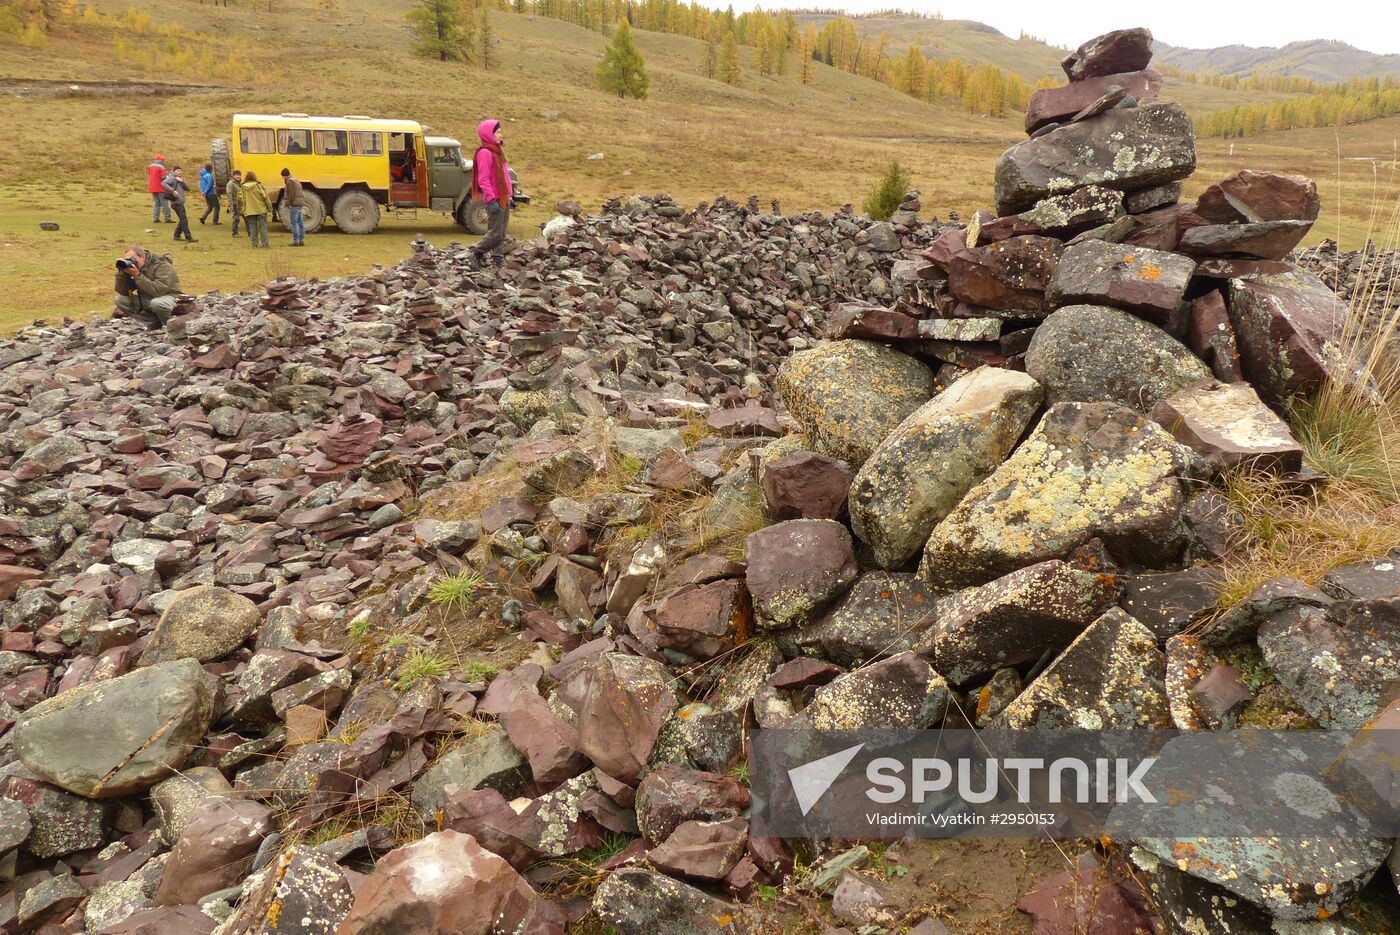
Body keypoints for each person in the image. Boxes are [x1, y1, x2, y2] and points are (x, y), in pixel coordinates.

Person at [468, 119, 513, 270]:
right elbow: (483, 179)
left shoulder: (497, 151)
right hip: (495, 198)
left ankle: (497, 258)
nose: (501, 135)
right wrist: (491, 199)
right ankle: (476, 253)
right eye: (498, 132)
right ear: (489, 134)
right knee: (495, 233)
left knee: (502, 232)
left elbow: (505, 177)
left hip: (504, 197)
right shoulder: (485, 153)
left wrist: (510, 196)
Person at [113, 245, 181, 328]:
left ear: (143, 257)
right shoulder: (136, 267)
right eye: (127, 259)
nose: (130, 262)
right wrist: (122, 273)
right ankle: (154, 322)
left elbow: (158, 291)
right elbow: (123, 291)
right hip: (147, 299)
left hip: (169, 297)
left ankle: (170, 326)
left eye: (132, 259)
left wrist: (137, 275)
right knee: (120, 300)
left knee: (157, 303)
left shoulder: (163, 265)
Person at [162, 166, 196, 243]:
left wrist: (181, 181)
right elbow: (163, 183)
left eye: (180, 171)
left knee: (182, 220)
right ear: (174, 171)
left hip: (180, 203)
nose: (179, 172)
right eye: (178, 170)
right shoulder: (172, 178)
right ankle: (189, 237)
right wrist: (172, 190)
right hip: (176, 203)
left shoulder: (180, 179)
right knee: (184, 220)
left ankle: (176, 235)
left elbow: (188, 188)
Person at [239, 171, 272, 248]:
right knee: (262, 227)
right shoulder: (259, 186)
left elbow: (240, 198)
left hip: (249, 210)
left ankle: (254, 244)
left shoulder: (242, 187)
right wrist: (269, 208)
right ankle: (265, 244)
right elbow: (265, 197)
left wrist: (243, 209)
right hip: (261, 209)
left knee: (252, 227)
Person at [280, 167, 306, 247]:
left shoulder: (289, 182)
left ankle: (295, 241)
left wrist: (289, 203)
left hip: (294, 204)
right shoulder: (295, 179)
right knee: (300, 223)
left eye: (282, 176)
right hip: (300, 203)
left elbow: (291, 195)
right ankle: (301, 240)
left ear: (284, 175)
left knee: (294, 223)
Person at [147, 154, 172, 223]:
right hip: (160, 187)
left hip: (152, 187)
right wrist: (169, 177)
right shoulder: (161, 167)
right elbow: (163, 178)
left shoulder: (150, 166)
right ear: (161, 160)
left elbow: (149, 175)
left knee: (157, 203)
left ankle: (155, 218)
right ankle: (167, 218)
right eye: (163, 160)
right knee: (165, 203)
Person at [226, 169, 244, 237]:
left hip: (240, 204)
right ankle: (235, 233)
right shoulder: (230, 184)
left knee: (245, 218)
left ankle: (250, 233)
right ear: (233, 176)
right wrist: (231, 205)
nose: (238, 176)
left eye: (239, 175)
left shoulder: (238, 183)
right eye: (236, 175)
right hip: (235, 203)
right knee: (236, 218)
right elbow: (229, 194)